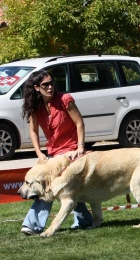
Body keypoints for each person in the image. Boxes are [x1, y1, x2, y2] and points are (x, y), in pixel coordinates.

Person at [20, 70, 94, 235]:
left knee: (50, 189)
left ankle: (32, 225)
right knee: (68, 189)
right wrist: (39, 152)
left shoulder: (65, 100)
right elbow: (33, 131)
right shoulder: (35, 106)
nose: (50, 87)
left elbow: (79, 123)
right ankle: (84, 220)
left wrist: (80, 147)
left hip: (71, 153)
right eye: (45, 85)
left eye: (52, 83)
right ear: (36, 87)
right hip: (53, 154)